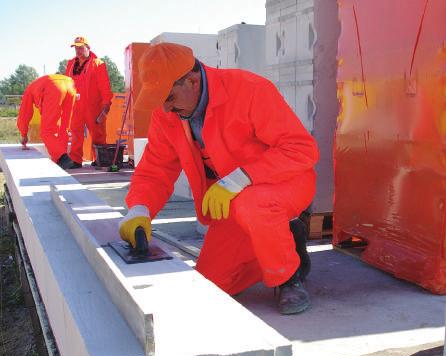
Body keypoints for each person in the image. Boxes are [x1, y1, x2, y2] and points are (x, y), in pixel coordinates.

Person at [119, 43, 319, 314]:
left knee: (252, 205)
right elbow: (155, 169)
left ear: (192, 80)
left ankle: (288, 278)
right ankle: (288, 238)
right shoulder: (167, 113)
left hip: (283, 182)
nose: (166, 108)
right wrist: (139, 209)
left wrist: (241, 178)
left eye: (169, 98)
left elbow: (300, 150)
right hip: (233, 197)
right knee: (211, 285)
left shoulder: (249, 89)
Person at [65, 36, 113, 167]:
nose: (78, 50)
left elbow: (105, 86)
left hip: (94, 106)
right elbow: (66, 84)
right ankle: (75, 160)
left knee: (98, 134)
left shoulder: (97, 63)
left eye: (81, 47)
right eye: (76, 48)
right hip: (75, 105)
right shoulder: (70, 64)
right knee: (75, 133)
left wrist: (106, 104)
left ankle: (99, 159)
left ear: (88, 48)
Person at [17, 74, 76, 169]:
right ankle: (60, 161)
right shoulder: (37, 84)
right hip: (70, 84)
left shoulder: (29, 90)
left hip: (54, 87)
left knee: (46, 132)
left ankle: (63, 158)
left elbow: (24, 114)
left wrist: (24, 135)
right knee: (64, 128)